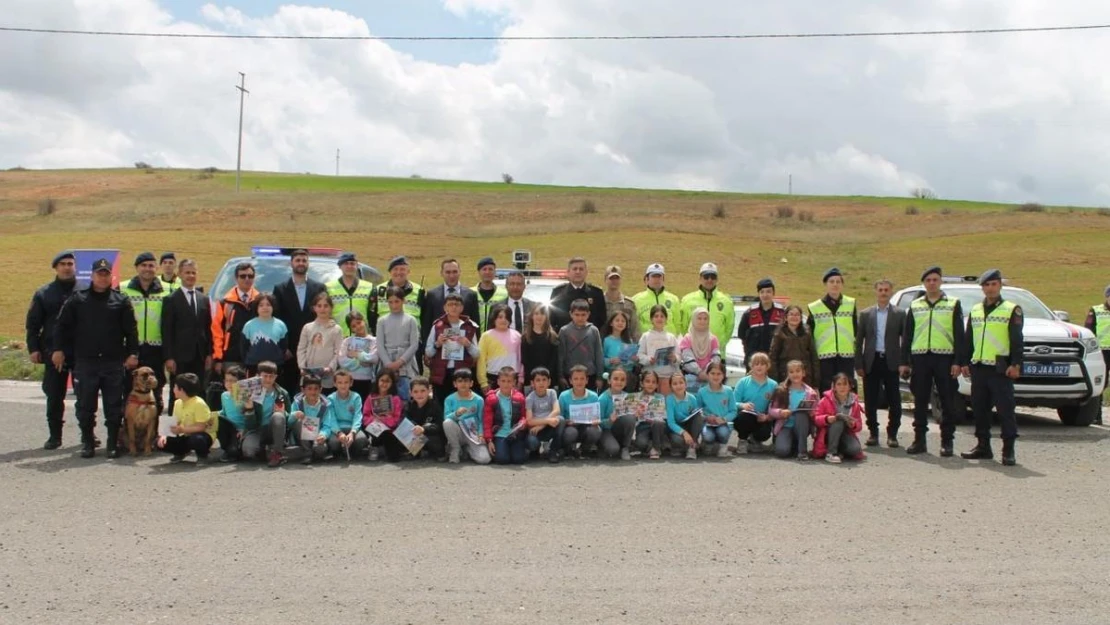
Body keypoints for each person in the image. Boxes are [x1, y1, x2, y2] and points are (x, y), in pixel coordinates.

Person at [53, 258, 138, 459]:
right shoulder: (77, 299)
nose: (103, 277)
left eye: (106, 274)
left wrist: (133, 353)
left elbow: (131, 331)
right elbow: (61, 326)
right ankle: (88, 442)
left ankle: (111, 444)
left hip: (112, 361)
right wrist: (58, 349)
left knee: (113, 406)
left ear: (111, 276)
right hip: (86, 361)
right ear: (92, 276)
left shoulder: (121, 301)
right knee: (85, 405)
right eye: (99, 274)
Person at [961, 269, 1023, 466]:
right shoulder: (976, 309)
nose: (990, 288)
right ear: (982, 288)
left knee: (1005, 410)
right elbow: (969, 338)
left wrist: (1016, 364)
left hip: (1000, 368)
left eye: (993, 284)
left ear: (1000, 285)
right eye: (986, 285)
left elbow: (1016, 339)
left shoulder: (1011, 309)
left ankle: (1008, 450)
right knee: (979, 410)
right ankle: (983, 446)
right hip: (979, 367)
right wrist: (965, 361)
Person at [902, 266, 966, 456]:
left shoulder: (953, 304)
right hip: (920, 358)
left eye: (935, 279)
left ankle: (947, 442)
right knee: (920, 401)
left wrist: (958, 361)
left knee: (947, 401)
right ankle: (919, 440)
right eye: (928, 280)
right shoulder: (915, 305)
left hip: (944, 358)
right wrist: (904, 361)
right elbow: (908, 336)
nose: (932, 283)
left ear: (940, 282)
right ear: (924, 283)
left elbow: (959, 335)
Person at [25, 250, 78, 449]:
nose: (66, 267)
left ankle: (87, 436)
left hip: (80, 351)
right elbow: (33, 324)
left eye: (70, 263)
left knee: (86, 396)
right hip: (52, 350)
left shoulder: (84, 290)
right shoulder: (44, 293)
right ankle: (55, 436)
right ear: (55, 268)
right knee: (55, 395)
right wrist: (33, 348)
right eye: (62, 264)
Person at [855, 279, 907, 448]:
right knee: (870, 400)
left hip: (892, 361)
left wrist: (904, 362)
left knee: (894, 400)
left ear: (891, 292)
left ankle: (892, 434)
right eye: (880, 290)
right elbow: (858, 341)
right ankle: (873, 433)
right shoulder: (865, 314)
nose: (883, 293)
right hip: (872, 361)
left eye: (886, 290)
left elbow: (905, 340)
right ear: (875, 292)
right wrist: (859, 364)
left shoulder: (899, 314)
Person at [161, 259, 212, 418]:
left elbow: (207, 328)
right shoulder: (171, 299)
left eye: (193, 272)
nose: (190, 276)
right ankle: (171, 434)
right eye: (187, 272)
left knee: (199, 393)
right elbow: (166, 331)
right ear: (180, 274)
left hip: (200, 356)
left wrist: (210, 354)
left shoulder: (203, 299)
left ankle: (198, 431)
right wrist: (169, 357)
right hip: (179, 357)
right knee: (177, 394)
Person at [121, 251, 169, 415]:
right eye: (144, 265)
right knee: (128, 392)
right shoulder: (123, 288)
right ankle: (127, 434)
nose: (147, 269)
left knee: (156, 392)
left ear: (156, 268)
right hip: (131, 349)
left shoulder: (167, 290)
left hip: (157, 349)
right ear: (136, 268)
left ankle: (153, 435)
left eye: (151, 265)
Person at [274, 248, 327, 392]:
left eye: (304, 260)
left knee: (313, 387)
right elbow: (277, 321)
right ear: (291, 263)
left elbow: (323, 316)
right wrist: (285, 347)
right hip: (290, 350)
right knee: (290, 386)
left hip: (314, 346)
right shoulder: (280, 289)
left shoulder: (319, 287)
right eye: (297, 260)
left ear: (308, 263)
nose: (301, 263)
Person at [807, 267, 858, 393]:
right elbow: (809, 335)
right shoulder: (815, 307)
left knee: (847, 390)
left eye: (838, 281)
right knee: (827, 391)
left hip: (846, 357)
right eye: (831, 281)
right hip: (824, 358)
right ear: (826, 284)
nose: (835, 284)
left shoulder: (850, 304)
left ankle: (848, 413)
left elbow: (856, 330)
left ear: (842, 284)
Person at [425, 293, 480, 402]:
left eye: (457, 304)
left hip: (461, 375)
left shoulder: (469, 327)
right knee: (441, 405)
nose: (454, 307)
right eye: (450, 304)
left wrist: (468, 344)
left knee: (460, 404)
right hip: (441, 375)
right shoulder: (437, 326)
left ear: (462, 308)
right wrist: (438, 344)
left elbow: (477, 354)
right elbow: (428, 352)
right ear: (445, 307)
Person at [241, 361, 292, 468]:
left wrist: (283, 413)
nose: (268, 380)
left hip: (273, 428)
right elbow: (250, 425)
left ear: (276, 377)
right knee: (248, 451)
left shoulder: (282, 393)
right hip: (256, 430)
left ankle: (277, 453)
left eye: (271, 376)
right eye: (265, 376)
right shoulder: (249, 392)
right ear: (258, 376)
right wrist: (249, 409)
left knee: (278, 416)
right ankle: (263, 449)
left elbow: (289, 417)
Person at [157, 373, 217, 464]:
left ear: (182, 390)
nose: (173, 390)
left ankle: (203, 455)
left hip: (202, 435)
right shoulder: (177, 403)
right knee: (159, 442)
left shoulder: (199, 403)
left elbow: (202, 427)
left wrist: (182, 429)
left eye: (175, 387)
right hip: (185, 435)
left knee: (197, 439)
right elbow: (174, 422)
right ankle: (180, 452)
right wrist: (164, 435)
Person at [678, 263, 734, 359]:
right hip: (693, 355)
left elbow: (729, 328)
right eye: (706, 276)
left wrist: (719, 344)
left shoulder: (726, 301)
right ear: (700, 278)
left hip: (717, 355)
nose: (709, 280)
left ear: (717, 279)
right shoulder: (687, 300)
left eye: (713, 277)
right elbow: (683, 326)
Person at [212, 262, 259, 374]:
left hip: (255, 356)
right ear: (236, 278)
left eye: (250, 276)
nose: (247, 279)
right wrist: (218, 358)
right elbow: (217, 332)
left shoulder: (260, 301)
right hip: (231, 357)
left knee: (254, 391)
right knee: (233, 390)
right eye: (243, 276)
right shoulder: (225, 303)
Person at [376, 285, 421, 402]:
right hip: (387, 363)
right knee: (386, 397)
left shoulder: (411, 320)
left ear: (403, 301)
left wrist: (400, 361)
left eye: (397, 301)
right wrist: (388, 364)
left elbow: (414, 344)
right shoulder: (382, 321)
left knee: (405, 397)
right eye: (390, 302)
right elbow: (380, 345)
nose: (394, 305)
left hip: (405, 365)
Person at [421, 258, 480, 345]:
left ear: (460, 272)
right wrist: (426, 349)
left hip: (464, 347)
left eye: (455, 272)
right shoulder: (432, 295)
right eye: (448, 272)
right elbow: (426, 324)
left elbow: (475, 324)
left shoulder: (471, 295)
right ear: (441, 273)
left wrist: (476, 347)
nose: (451, 276)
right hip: (439, 347)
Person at [769, 360, 818, 460]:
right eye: (791, 372)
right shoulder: (781, 390)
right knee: (782, 451)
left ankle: (802, 452)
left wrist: (811, 412)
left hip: (802, 427)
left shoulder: (810, 393)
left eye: (797, 371)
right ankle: (792, 443)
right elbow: (771, 409)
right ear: (787, 374)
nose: (795, 374)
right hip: (785, 425)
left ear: (803, 373)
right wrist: (781, 412)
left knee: (801, 414)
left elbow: (817, 410)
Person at [811, 373, 865, 463]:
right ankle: (831, 453)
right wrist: (827, 418)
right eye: (839, 384)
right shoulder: (825, 400)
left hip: (845, 434)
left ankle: (840, 451)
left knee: (855, 449)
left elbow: (859, 425)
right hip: (827, 434)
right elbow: (815, 419)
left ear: (849, 386)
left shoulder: (854, 404)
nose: (842, 387)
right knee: (838, 421)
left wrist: (853, 424)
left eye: (845, 384)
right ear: (834, 387)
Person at [441, 368, 491, 464]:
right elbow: (446, 417)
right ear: (455, 384)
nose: (463, 384)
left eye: (466, 381)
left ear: (471, 383)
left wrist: (481, 434)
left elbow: (482, 419)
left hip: (473, 433)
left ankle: (467, 449)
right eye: (460, 381)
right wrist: (456, 414)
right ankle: (455, 449)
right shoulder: (449, 399)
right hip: (458, 432)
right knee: (447, 423)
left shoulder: (479, 400)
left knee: (484, 459)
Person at [297, 292, 343, 394]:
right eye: (319, 306)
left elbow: (338, 352)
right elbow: (301, 349)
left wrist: (330, 367)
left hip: (327, 376)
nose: (322, 309)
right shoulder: (307, 327)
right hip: (308, 375)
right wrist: (302, 367)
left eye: (326, 306)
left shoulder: (336, 329)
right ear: (314, 308)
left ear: (331, 308)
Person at [733, 352, 777, 455]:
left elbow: (775, 406)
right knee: (745, 417)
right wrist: (742, 405)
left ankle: (754, 441)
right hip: (745, 416)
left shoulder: (773, 385)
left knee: (764, 434)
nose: (759, 366)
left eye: (762, 364)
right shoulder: (743, 382)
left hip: (762, 418)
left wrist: (766, 417)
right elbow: (733, 403)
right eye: (756, 364)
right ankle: (742, 440)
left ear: (768, 366)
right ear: (751, 366)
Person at [484, 366, 528, 464]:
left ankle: (520, 450)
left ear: (514, 382)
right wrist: (489, 440)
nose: (506, 384)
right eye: (503, 381)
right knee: (502, 459)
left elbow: (524, 416)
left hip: (515, 434)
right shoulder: (491, 399)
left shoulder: (520, 398)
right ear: (498, 382)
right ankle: (499, 449)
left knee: (519, 460)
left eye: (509, 381)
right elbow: (487, 421)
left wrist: (522, 422)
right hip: (500, 434)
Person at [737, 277, 785, 368]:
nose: (765, 295)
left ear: (773, 293)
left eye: (768, 291)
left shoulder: (781, 312)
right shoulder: (749, 313)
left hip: (775, 361)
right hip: (754, 360)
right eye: (762, 292)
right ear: (758, 294)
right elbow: (742, 335)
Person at [549, 257, 606, 332]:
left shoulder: (596, 293)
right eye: (575, 269)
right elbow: (551, 320)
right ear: (568, 272)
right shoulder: (558, 293)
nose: (578, 272)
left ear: (586, 272)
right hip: (564, 340)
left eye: (581, 269)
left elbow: (602, 320)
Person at [769, 305, 820, 387]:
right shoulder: (779, 334)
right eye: (791, 314)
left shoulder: (807, 333)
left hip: (805, 377)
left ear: (800, 317)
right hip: (785, 376)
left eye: (797, 315)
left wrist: (816, 383)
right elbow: (773, 358)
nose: (794, 317)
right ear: (786, 317)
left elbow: (814, 357)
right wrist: (775, 381)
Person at [558, 300, 604, 390]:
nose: (580, 318)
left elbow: (599, 354)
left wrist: (599, 377)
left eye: (583, 315)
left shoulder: (594, 331)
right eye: (577, 314)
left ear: (588, 314)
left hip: (590, 374)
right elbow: (561, 355)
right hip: (570, 375)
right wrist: (560, 376)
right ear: (571, 314)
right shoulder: (564, 331)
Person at [361, 369, 406, 461]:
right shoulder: (371, 397)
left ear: (392, 383)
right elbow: (365, 416)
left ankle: (393, 451)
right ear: (377, 381)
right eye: (382, 380)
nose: (384, 384)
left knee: (394, 455)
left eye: (388, 381)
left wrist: (385, 419)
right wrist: (374, 419)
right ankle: (374, 446)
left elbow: (396, 419)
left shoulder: (396, 399)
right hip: (374, 426)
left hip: (391, 429)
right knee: (379, 430)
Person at [559, 365, 603, 458]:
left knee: (596, 430)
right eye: (576, 379)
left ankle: (585, 449)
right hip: (570, 428)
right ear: (570, 381)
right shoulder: (563, 396)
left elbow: (597, 416)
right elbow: (560, 417)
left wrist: (596, 421)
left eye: (582, 379)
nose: (579, 382)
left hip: (586, 427)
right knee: (570, 433)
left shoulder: (593, 396)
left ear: (587, 380)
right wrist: (567, 421)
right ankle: (568, 449)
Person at [326, 252, 374, 338]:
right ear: (340, 266)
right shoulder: (329, 287)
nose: (349, 266)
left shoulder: (368, 287)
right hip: (338, 336)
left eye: (352, 263)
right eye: (346, 263)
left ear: (357, 266)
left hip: (362, 336)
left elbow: (373, 314)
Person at [325, 370, 369, 461]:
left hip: (352, 427)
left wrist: (352, 433)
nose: (343, 385)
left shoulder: (356, 397)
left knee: (362, 439)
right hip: (337, 428)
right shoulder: (330, 398)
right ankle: (339, 453)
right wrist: (339, 433)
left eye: (346, 382)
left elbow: (358, 416)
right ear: (335, 384)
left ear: (351, 383)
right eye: (340, 383)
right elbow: (331, 418)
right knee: (333, 442)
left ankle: (351, 450)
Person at [477, 305, 523, 391]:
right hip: (492, 378)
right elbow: (481, 360)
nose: (503, 320)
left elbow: (521, 360)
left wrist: (520, 380)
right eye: (500, 317)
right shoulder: (486, 336)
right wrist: (483, 382)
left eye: (506, 317)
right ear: (494, 318)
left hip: (513, 379)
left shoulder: (517, 335)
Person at [373, 255, 425, 332]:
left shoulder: (419, 291)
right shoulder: (378, 290)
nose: (398, 272)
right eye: (395, 269)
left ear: (408, 272)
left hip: (412, 338)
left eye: (402, 269)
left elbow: (424, 318)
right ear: (390, 271)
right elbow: (372, 317)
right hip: (385, 338)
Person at [525, 367, 566, 463]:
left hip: (548, 426)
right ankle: (534, 451)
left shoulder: (552, 393)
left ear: (549, 382)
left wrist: (542, 425)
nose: (541, 383)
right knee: (532, 442)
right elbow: (529, 421)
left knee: (561, 419)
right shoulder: (530, 398)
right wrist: (546, 422)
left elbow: (557, 410)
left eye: (544, 380)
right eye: (538, 380)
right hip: (535, 430)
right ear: (532, 383)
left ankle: (553, 451)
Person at [240, 293, 288, 375]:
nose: (265, 308)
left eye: (268, 305)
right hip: (253, 365)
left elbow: (284, 346)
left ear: (273, 307)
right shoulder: (249, 325)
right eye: (261, 305)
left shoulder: (280, 325)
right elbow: (244, 347)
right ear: (256, 308)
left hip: (275, 366)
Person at [1083, 284, 1110, 425]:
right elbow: (1088, 330)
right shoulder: (1096, 311)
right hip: (1102, 352)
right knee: (1101, 383)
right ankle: (1096, 415)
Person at [289, 374, 330, 465]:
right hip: (300, 436)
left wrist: (323, 435)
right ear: (303, 390)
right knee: (299, 422)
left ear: (320, 389)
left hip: (317, 435)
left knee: (321, 450)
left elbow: (327, 425)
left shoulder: (325, 406)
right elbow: (289, 422)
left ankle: (315, 452)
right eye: (309, 388)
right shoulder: (297, 403)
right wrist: (294, 415)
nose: (313, 392)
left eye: (316, 389)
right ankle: (307, 453)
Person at [638, 305, 679, 395]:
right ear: (651, 319)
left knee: (665, 402)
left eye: (662, 316)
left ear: (666, 319)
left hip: (667, 375)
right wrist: (648, 359)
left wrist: (674, 358)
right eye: (656, 316)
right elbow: (640, 355)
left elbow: (679, 356)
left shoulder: (671, 337)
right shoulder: (646, 336)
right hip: (651, 376)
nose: (659, 319)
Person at [631, 263, 681, 336]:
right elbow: (634, 324)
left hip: (669, 342)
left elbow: (677, 324)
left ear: (663, 279)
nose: (657, 279)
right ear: (647, 279)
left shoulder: (673, 299)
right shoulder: (636, 300)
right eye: (654, 276)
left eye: (659, 277)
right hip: (647, 343)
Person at [678, 307, 721, 393]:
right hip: (691, 378)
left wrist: (707, 372)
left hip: (710, 377)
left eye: (705, 319)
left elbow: (716, 357)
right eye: (699, 318)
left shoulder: (713, 339)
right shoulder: (687, 339)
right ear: (694, 319)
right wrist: (699, 372)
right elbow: (687, 358)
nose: (702, 321)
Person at [337, 311, 378, 400]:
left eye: (359, 323)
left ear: (364, 321)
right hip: (350, 381)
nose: (358, 327)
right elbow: (342, 361)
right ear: (351, 329)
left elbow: (374, 358)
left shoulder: (374, 340)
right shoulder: (347, 341)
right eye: (354, 326)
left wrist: (357, 354)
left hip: (367, 380)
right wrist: (361, 361)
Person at [696, 362, 735, 458]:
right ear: (707, 374)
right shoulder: (702, 392)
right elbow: (698, 410)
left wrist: (724, 419)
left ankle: (722, 445)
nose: (715, 376)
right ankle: (708, 444)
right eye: (712, 373)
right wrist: (706, 417)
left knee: (723, 433)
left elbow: (733, 411)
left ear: (723, 375)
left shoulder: (728, 391)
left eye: (719, 374)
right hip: (708, 424)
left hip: (723, 423)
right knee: (708, 436)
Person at [598, 368, 638, 460]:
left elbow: (630, 420)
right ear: (609, 380)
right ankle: (601, 446)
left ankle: (625, 447)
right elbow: (597, 422)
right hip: (606, 430)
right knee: (613, 450)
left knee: (630, 418)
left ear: (626, 382)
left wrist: (636, 415)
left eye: (622, 380)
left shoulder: (627, 397)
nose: (619, 382)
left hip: (619, 429)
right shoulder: (603, 398)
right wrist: (609, 420)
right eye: (615, 379)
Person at [521, 304, 560, 394]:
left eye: (542, 314)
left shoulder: (553, 336)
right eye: (536, 313)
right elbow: (525, 360)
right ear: (531, 316)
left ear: (547, 317)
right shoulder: (525, 337)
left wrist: (545, 378)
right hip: (531, 381)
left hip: (549, 381)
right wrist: (535, 378)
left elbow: (554, 360)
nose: (539, 316)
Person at [406, 377, 446, 461]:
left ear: (429, 391)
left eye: (423, 391)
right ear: (410, 393)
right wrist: (415, 426)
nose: (419, 394)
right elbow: (406, 420)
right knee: (403, 431)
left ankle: (439, 452)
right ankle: (417, 451)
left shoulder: (435, 405)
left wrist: (424, 429)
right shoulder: (409, 406)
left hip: (431, 435)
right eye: (415, 392)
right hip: (416, 435)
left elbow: (439, 425)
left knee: (433, 437)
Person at [216, 365, 250, 462]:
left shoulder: (244, 395)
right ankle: (227, 449)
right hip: (229, 428)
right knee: (218, 420)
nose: (229, 384)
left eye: (233, 381)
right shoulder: (224, 395)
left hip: (243, 429)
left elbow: (249, 415)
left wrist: (245, 429)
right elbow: (224, 412)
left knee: (237, 451)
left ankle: (235, 449)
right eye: (227, 380)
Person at [632, 370, 668, 459]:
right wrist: (635, 415)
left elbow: (664, 416)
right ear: (641, 383)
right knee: (640, 443)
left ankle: (656, 449)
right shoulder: (635, 397)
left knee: (658, 422)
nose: (650, 384)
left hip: (657, 426)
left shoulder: (660, 397)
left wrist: (661, 415)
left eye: (653, 382)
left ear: (656, 385)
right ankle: (653, 446)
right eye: (647, 381)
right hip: (643, 427)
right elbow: (631, 419)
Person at [665, 372, 702, 459]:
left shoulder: (692, 398)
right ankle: (680, 447)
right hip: (676, 427)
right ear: (671, 387)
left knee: (699, 416)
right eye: (675, 384)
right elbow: (671, 422)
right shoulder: (669, 399)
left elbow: (695, 416)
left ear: (685, 384)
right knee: (677, 440)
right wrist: (684, 433)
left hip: (689, 426)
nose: (678, 386)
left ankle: (692, 447)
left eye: (681, 383)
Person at [602, 265, 641, 341]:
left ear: (621, 280)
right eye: (611, 278)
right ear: (605, 280)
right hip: (603, 345)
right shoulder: (599, 301)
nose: (614, 281)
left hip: (624, 346)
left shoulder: (629, 303)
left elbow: (635, 329)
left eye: (617, 278)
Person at [602, 310, 638, 391]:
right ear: (611, 323)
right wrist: (610, 361)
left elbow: (633, 362)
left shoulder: (629, 341)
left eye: (623, 321)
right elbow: (601, 359)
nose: (620, 323)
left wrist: (634, 359)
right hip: (612, 374)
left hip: (627, 375)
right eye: (617, 320)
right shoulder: (607, 340)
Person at [472, 256, 508, 334]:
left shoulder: (504, 294)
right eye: (484, 269)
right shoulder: (470, 293)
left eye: (490, 269)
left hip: (496, 338)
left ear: (495, 272)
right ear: (479, 272)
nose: (487, 272)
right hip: (474, 339)